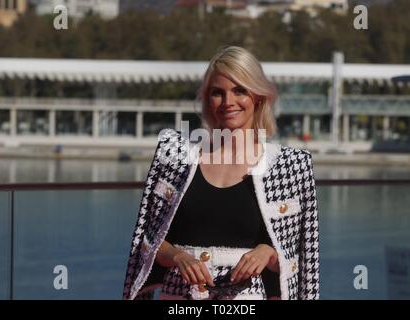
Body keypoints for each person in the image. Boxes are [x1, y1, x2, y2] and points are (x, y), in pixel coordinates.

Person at [123, 45, 319, 300]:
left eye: (240, 90)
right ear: (207, 99)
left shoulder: (290, 166)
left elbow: (303, 259)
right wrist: (178, 257)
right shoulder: (174, 156)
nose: (228, 102)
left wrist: (267, 252)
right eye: (218, 93)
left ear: (258, 97)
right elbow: (148, 243)